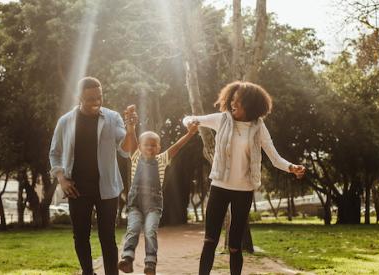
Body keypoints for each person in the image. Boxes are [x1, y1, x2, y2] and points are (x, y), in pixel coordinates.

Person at [183, 81, 305, 275]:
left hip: (244, 191)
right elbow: (191, 118)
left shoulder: (258, 127)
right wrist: (189, 122)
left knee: (234, 246)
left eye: (238, 101)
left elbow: (274, 157)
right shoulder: (222, 119)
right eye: (232, 99)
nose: (233, 104)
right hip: (219, 187)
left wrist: (291, 167)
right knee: (210, 241)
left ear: (251, 105)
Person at [49, 77, 138, 275]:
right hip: (76, 188)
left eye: (99, 97)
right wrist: (62, 179)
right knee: (80, 237)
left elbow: (126, 150)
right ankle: (88, 272)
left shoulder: (112, 117)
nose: (96, 102)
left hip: (107, 187)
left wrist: (131, 129)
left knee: (108, 238)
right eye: (90, 98)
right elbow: (54, 153)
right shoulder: (65, 122)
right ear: (79, 97)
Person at [118, 121, 199, 275]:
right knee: (133, 228)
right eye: (146, 145)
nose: (150, 148)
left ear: (159, 147)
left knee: (150, 231)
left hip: (154, 207)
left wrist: (190, 134)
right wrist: (131, 126)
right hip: (135, 204)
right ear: (140, 147)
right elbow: (132, 139)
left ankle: (150, 263)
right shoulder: (135, 156)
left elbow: (177, 146)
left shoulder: (162, 159)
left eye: (154, 145)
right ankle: (127, 258)